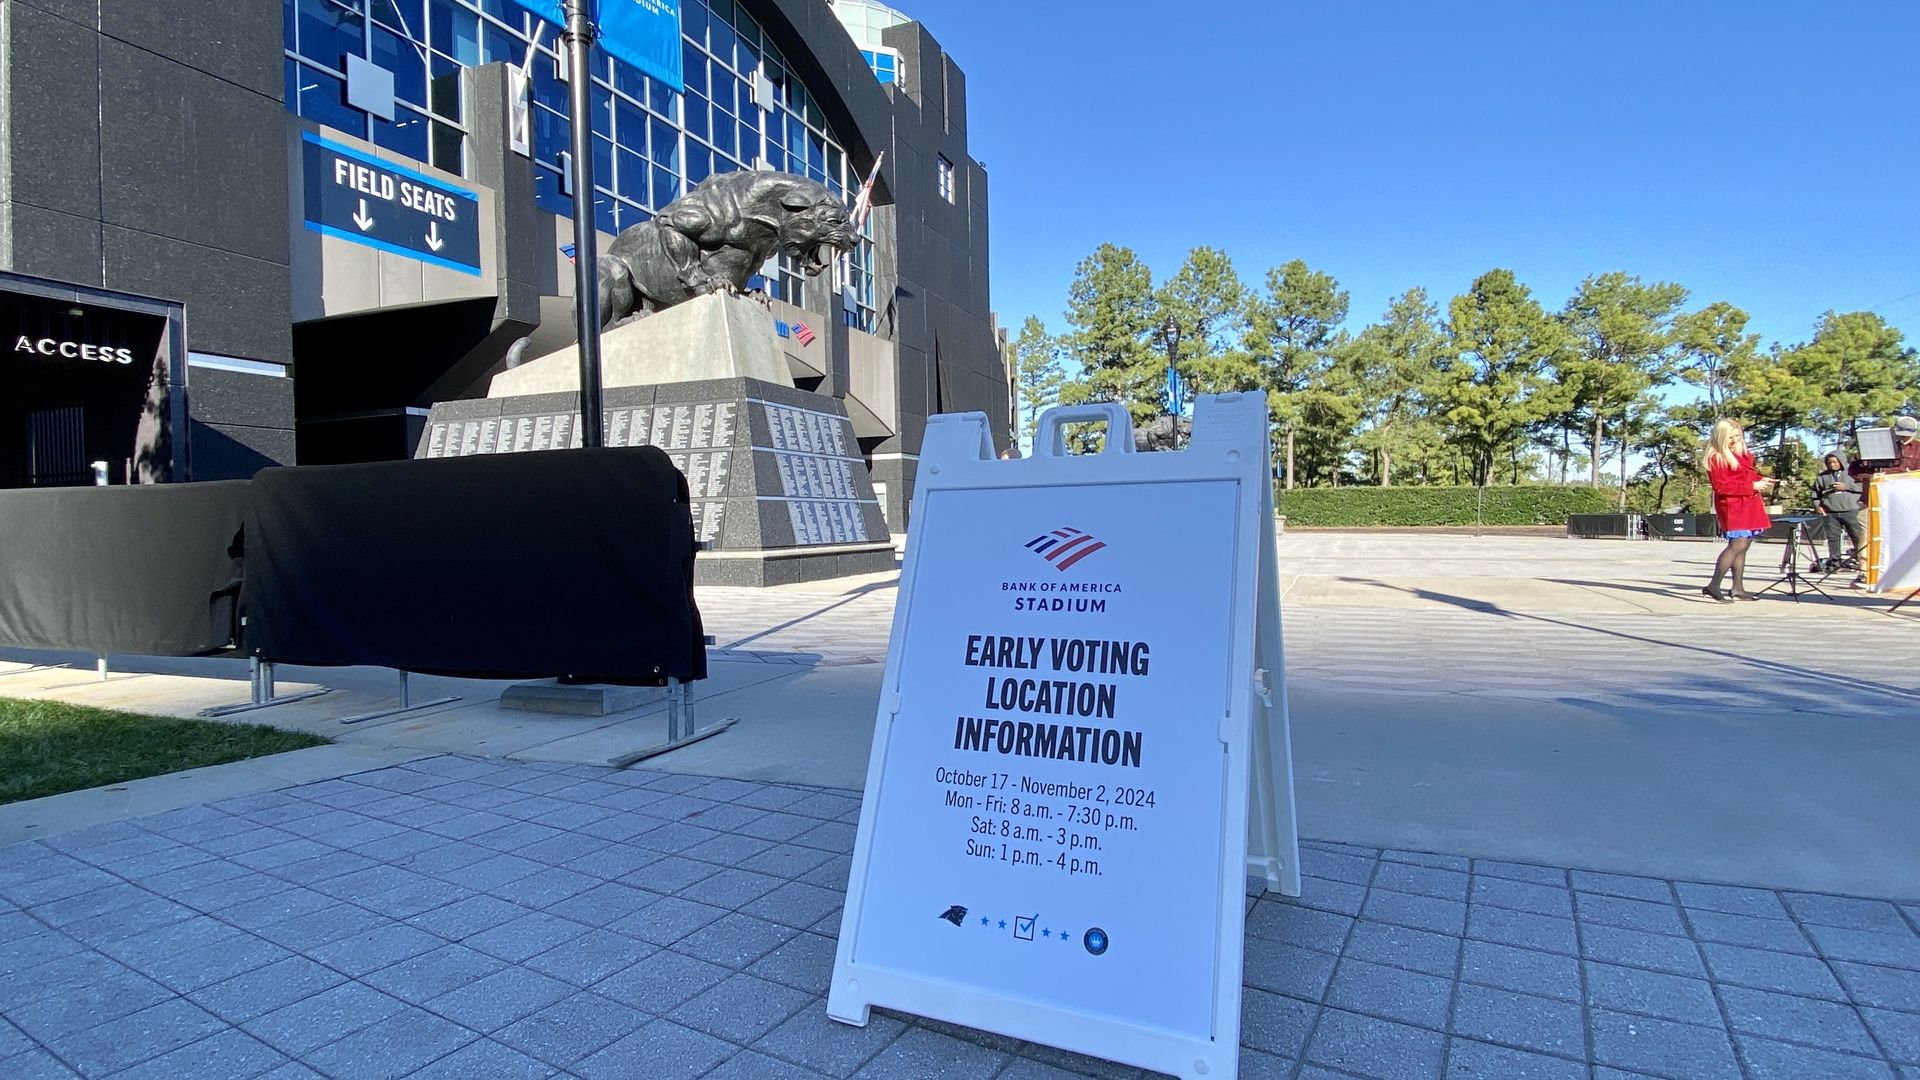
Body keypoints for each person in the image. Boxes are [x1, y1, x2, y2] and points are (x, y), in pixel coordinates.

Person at [1702, 418, 1776, 602]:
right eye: (1730, 437)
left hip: (1748, 505)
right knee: (1737, 545)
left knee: (1743, 548)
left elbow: (1746, 477)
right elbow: (1722, 487)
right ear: (1721, 437)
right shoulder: (1716, 457)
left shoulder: (1742, 454)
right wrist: (1753, 485)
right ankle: (1714, 585)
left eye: (1737, 436)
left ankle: (1737, 588)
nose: (1735, 440)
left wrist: (1761, 480)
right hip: (1734, 507)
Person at [1811, 451, 1865, 579]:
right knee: (1833, 539)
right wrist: (1817, 506)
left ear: (1841, 460)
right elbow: (1815, 494)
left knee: (1857, 537)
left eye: (1835, 461)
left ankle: (1861, 563)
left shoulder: (1853, 473)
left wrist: (1846, 486)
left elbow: (1863, 487)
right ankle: (1835, 564)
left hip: (1851, 509)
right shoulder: (1822, 477)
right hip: (1830, 511)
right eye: (1829, 462)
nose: (1832, 464)